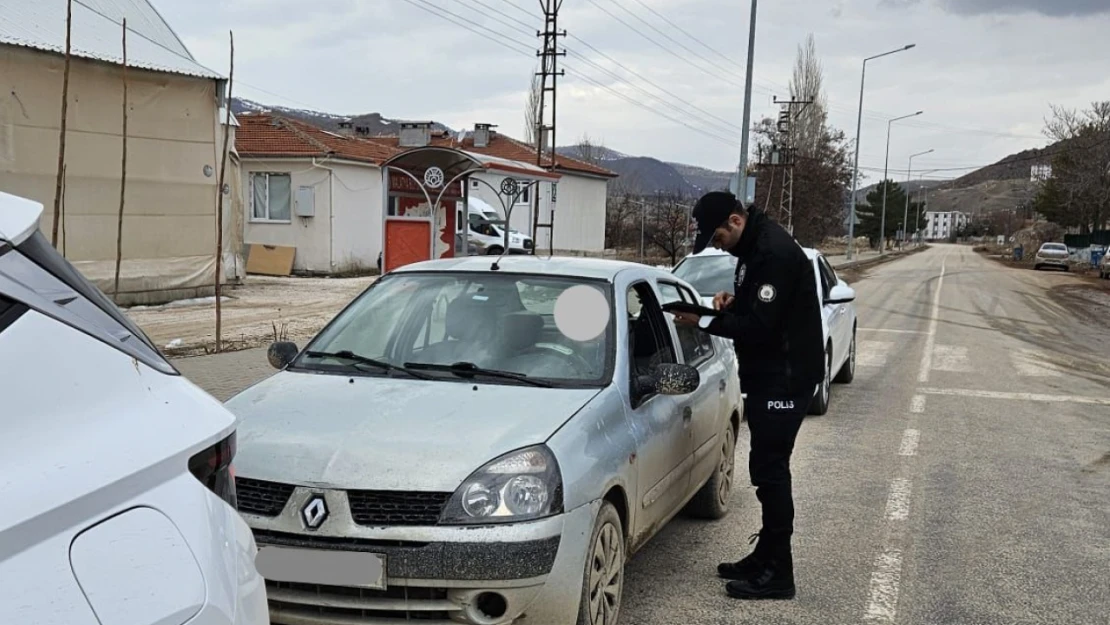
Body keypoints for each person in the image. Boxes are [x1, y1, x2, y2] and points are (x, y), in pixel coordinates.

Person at [672, 191, 824, 601]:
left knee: (771, 471)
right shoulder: (755, 248)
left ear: (736, 221)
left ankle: (779, 573)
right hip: (770, 373)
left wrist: (705, 318)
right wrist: (729, 305)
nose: (716, 244)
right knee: (765, 469)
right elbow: (763, 309)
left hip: (785, 378)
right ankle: (766, 555)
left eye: (718, 236)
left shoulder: (773, 251)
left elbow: (760, 327)